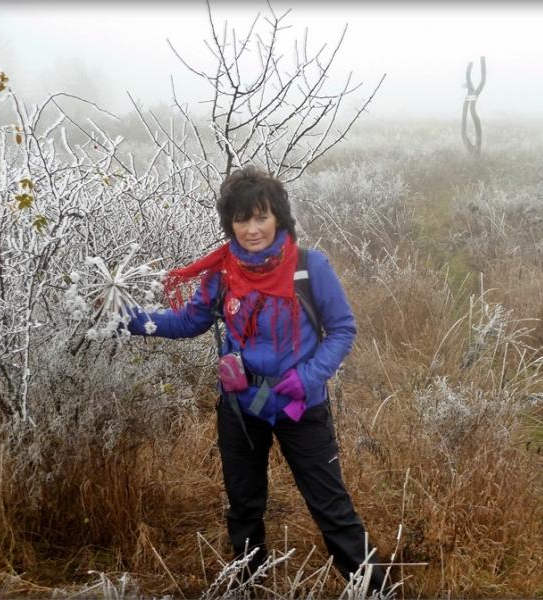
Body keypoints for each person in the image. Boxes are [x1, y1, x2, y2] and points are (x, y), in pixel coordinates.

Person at [125, 166, 385, 591]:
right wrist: (128, 319)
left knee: (331, 508)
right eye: (241, 219)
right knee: (244, 507)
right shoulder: (222, 273)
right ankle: (250, 584)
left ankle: (376, 590)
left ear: (278, 216)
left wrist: (308, 377)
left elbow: (342, 330)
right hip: (241, 407)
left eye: (261, 217)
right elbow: (188, 321)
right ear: (229, 223)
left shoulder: (309, 267)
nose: (251, 229)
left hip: (301, 407)